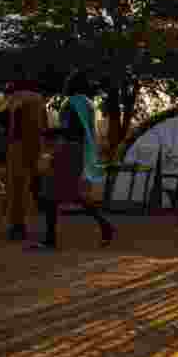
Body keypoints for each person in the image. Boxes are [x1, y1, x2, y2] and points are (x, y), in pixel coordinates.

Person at [27, 69, 114, 251]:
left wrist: (48, 132)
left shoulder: (73, 103)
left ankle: (50, 240)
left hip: (67, 149)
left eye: (68, 81)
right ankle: (105, 225)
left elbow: (71, 131)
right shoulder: (88, 103)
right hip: (78, 150)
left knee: (51, 193)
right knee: (71, 193)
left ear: (72, 84)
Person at [2, 78, 48, 242]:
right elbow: (45, 124)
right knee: (34, 185)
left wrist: (9, 141)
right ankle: (37, 225)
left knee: (16, 187)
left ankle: (17, 226)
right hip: (36, 146)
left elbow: (15, 122)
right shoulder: (39, 99)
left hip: (19, 146)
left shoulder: (17, 98)